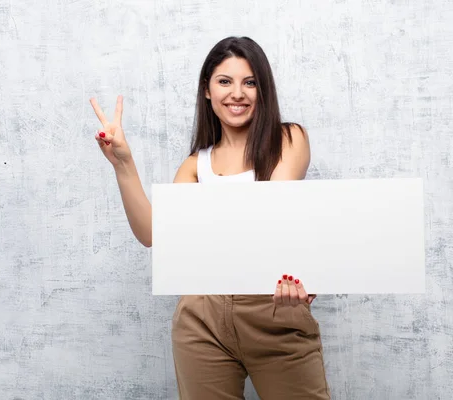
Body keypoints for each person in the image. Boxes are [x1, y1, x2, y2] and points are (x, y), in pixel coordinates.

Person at [90, 36, 330, 400]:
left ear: (263, 90)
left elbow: (271, 213)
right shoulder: (195, 164)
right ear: (207, 90)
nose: (238, 93)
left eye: (250, 82)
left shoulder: (288, 139)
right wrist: (124, 164)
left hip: (275, 309)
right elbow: (154, 233)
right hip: (202, 317)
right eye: (225, 81)